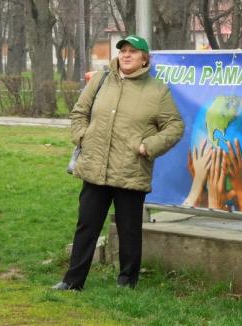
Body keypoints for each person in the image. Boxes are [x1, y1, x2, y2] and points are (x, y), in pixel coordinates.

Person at [52, 35, 184, 290]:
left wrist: (149, 146)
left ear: (144, 58)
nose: (126, 55)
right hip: (95, 168)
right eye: (123, 50)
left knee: (129, 230)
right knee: (86, 227)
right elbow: (80, 112)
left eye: (133, 51)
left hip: (130, 170)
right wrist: (82, 137)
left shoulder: (157, 90)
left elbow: (175, 126)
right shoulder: (101, 80)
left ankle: (127, 282)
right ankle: (72, 281)